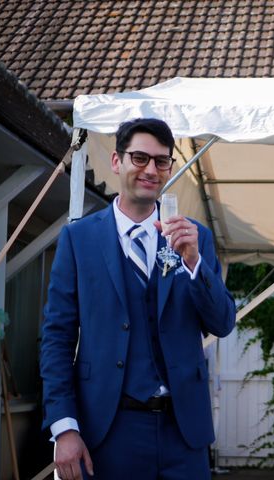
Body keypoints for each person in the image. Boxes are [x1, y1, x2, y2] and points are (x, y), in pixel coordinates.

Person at [40, 118, 236, 479]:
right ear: (117, 161)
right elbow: (57, 338)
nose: (151, 170)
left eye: (161, 161)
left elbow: (223, 323)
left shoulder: (197, 238)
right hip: (108, 430)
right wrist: (64, 427)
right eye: (140, 158)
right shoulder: (79, 240)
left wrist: (193, 264)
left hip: (184, 433)